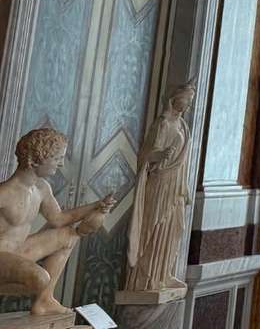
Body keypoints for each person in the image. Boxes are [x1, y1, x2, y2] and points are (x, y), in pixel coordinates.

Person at [0, 128, 114, 315]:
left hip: (19, 250)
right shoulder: (4, 193)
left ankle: (44, 301)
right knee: (40, 279)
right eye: (56, 158)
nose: (61, 163)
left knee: (69, 234)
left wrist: (97, 205)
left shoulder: (41, 188)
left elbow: (60, 219)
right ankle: (40, 287)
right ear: (35, 160)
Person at [125, 83, 196, 293]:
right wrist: (160, 155)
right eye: (186, 99)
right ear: (174, 98)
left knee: (175, 227)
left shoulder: (183, 126)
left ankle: (164, 274)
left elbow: (183, 162)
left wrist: (185, 187)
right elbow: (146, 156)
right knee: (156, 228)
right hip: (160, 184)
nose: (188, 105)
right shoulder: (163, 123)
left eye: (191, 101)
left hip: (176, 186)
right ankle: (148, 279)